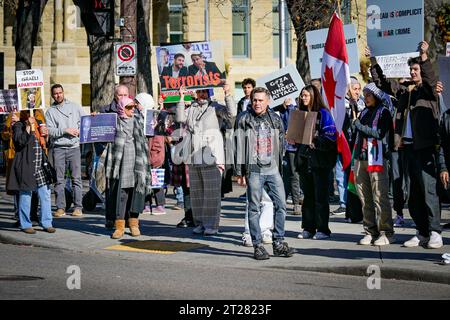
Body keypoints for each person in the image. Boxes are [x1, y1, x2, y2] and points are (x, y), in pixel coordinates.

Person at [367, 41, 443, 249]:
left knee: (428, 191)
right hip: (406, 148)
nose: (413, 72)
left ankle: (435, 231)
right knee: (413, 194)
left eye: (416, 69)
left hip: (425, 148)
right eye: (411, 69)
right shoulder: (404, 92)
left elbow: (430, 79)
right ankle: (421, 232)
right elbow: (381, 83)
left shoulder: (428, 92)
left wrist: (424, 57)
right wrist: (373, 60)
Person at [235, 87, 294, 260]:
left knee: (281, 205)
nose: (257, 103)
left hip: (273, 169)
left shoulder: (275, 118)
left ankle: (279, 242)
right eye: (255, 100)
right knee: (254, 207)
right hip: (253, 169)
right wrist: (240, 172)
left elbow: (281, 139)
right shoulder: (243, 119)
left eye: (261, 100)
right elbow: (238, 146)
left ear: (268, 101)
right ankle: (258, 245)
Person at [175, 83, 236, 236]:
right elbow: (180, 118)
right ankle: (200, 223)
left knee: (211, 193)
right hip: (194, 155)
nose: (201, 94)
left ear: (208, 93)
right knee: (197, 193)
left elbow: (232, 114)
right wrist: (181, 98)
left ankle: (211, 225)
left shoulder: (215, 107)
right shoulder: (192, 108)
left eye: (204, 92)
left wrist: (227, 94)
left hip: (212, 156)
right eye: (199, 91)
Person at [293, 85, 337, 240]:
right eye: (301, 96)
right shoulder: (301, 114)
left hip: (320, 163)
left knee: (321, 198)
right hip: (305, 161)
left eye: (306, 95)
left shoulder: (323, 113)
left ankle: (323, 229)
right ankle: (308, 228)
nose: (303, 98)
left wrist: (316, 141)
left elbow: (331, 137)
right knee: (308, 198)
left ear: (313, 96)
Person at [353, 83, 395, 246]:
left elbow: (378, 133)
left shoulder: (383, 112)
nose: (366, 98)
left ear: (376, 96)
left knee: (379, 197)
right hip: (361, 158)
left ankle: (386, 232)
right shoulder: (363, 112)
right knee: (365, 197)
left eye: (369, 95)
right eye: (365, 95)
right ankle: (370, 230)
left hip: (376, 159)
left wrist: (359, 126)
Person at [105, 97, 150, 239]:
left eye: (133, 107)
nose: (132, 110)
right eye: (129, 107)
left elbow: (155, 123)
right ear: (121, 108)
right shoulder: (114, 121)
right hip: (121, 163)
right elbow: (99, 132)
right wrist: (94, 119)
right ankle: (119, 226)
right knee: (121, 195)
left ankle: (134, 224)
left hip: (137, 162)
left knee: (135, 193)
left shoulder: (139, 120)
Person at [7, 111, 55, 234]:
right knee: (26, 194)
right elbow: (19, 142)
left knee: (45, 194)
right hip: (27, 164)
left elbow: (46, 144)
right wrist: (28, 126)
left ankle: (47, 222)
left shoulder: (39, 124)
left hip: (40, 165)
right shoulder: (18, 125)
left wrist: (47, 136)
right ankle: (25, 224)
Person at [45, 84, 86, 217]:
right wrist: (64, 131)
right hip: (58, 148)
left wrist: (80, 131)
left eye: (60, 92)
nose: (58, 95)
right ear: (52, 95)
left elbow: (85, 122)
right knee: (59, 179)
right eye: (55, 93)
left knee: (76, 178)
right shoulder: (50, 111)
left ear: (63, 92)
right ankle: (61, 207)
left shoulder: (74, 106)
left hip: (74, 147)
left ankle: (78, 207)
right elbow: (49, 131)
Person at [98, 84, 129, 229]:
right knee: (111, 188)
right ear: (115, 96)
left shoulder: (132, 109)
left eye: (125, 95)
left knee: (127, 188)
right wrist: (94, 120)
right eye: (119, 95)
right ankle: (110, 218)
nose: (122, 98)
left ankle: (127, 218)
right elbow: (98, 133)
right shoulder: (105, 110)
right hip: (112, 155)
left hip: (127, 155)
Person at [332, 76, 364, 216]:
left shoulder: (362, 103)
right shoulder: (339, 104)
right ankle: (344, 203)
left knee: (355, 176)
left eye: (358, 89)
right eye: (353, 89)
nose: (356, 92)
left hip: (356, 145)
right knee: (340, 175)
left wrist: (355, 104)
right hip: (342, 145)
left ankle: (357, 204)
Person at [280, 97, 302, 215]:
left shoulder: (294, 109)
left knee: (294, 175)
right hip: (285, 147)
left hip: (293, 147)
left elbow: (291, 122)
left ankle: (296, 203)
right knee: (285, 175)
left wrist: (290, 107)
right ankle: (282, 201)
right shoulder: (283, 111)